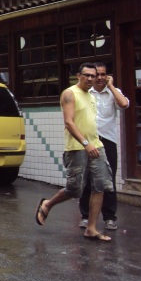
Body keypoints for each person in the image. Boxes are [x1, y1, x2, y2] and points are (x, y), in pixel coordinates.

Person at [35, 63, 114, 242]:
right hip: (78, 147)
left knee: (100, 186)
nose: (90, 79)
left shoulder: (92, 96)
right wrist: (86, 144)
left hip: (96, 145)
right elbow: (69, 123)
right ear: (78, 76)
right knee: (74, 189)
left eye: (93, 76)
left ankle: (91, 228)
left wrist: (94, 143)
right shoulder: (70, 94)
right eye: (86, 75)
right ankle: (48, 204)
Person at [79, 62, 130, 231]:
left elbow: (123, 104)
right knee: (87, 179)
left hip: (107, 141)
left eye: (103, 74)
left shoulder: (113, 93)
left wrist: (111, 86)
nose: (99, 78)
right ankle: (85, 216)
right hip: (89, 141)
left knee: (108, 180)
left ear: (107, 76)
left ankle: (109, 217)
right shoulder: (86, 93)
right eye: (96, 75)